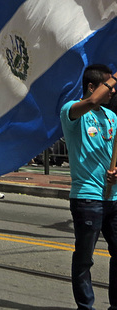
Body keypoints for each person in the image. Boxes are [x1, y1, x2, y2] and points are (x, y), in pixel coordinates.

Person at [60, 64, 117, 310]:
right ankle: (86, 306)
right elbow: (93, 101)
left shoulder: (112, 117)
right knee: (84, 259)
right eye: (109, 87)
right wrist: (115, 77)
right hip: (87, 198)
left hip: (112, 198)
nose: (113, 92)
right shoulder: (72, 111)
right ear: (93, 87)